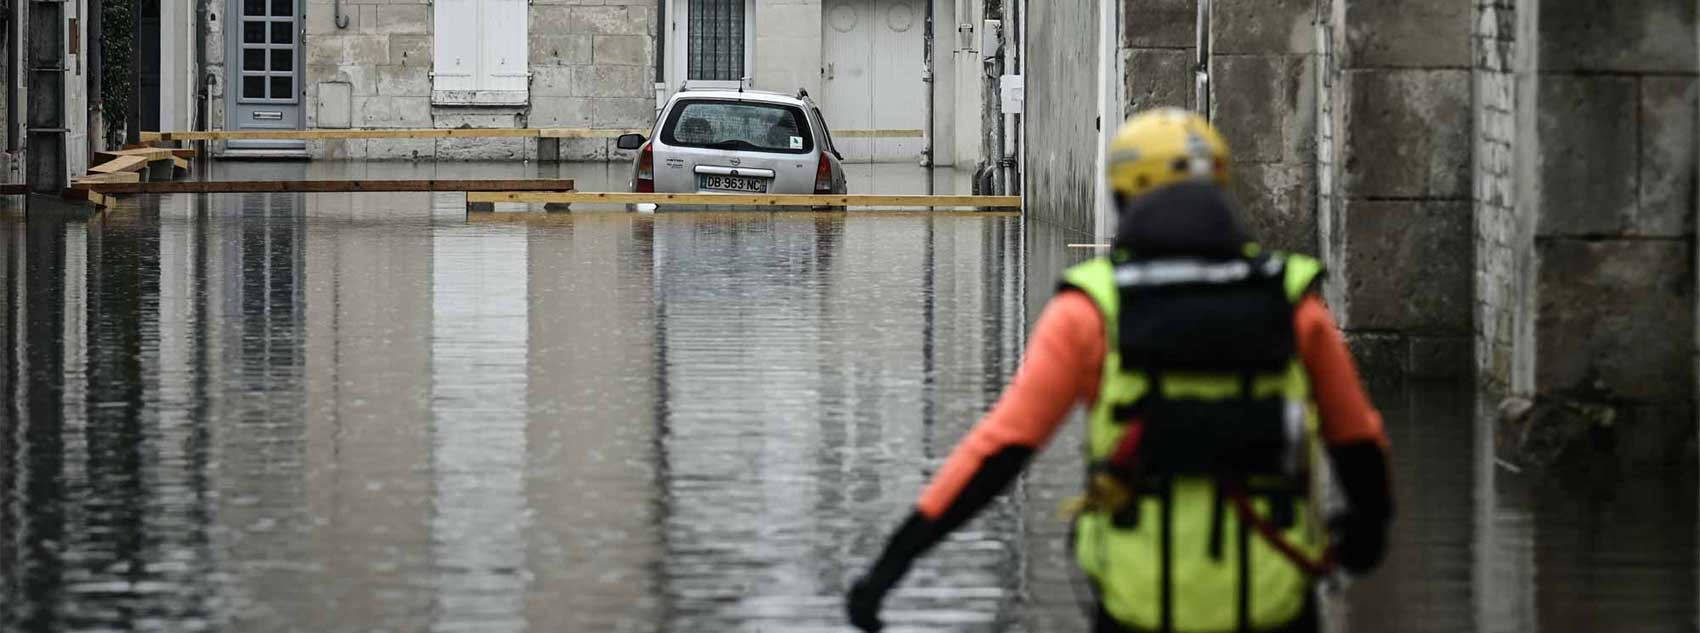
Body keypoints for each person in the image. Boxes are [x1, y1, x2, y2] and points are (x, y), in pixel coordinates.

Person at [845, 109, 1394, 633]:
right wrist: (1365, 534)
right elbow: (1359, 442)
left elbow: (1001, 449)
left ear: (1123, 197)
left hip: (1138, 605)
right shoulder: (1294, 303)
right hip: (1276, 601)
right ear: (1221, 187)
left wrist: (895, 560)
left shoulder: (1091, 310)